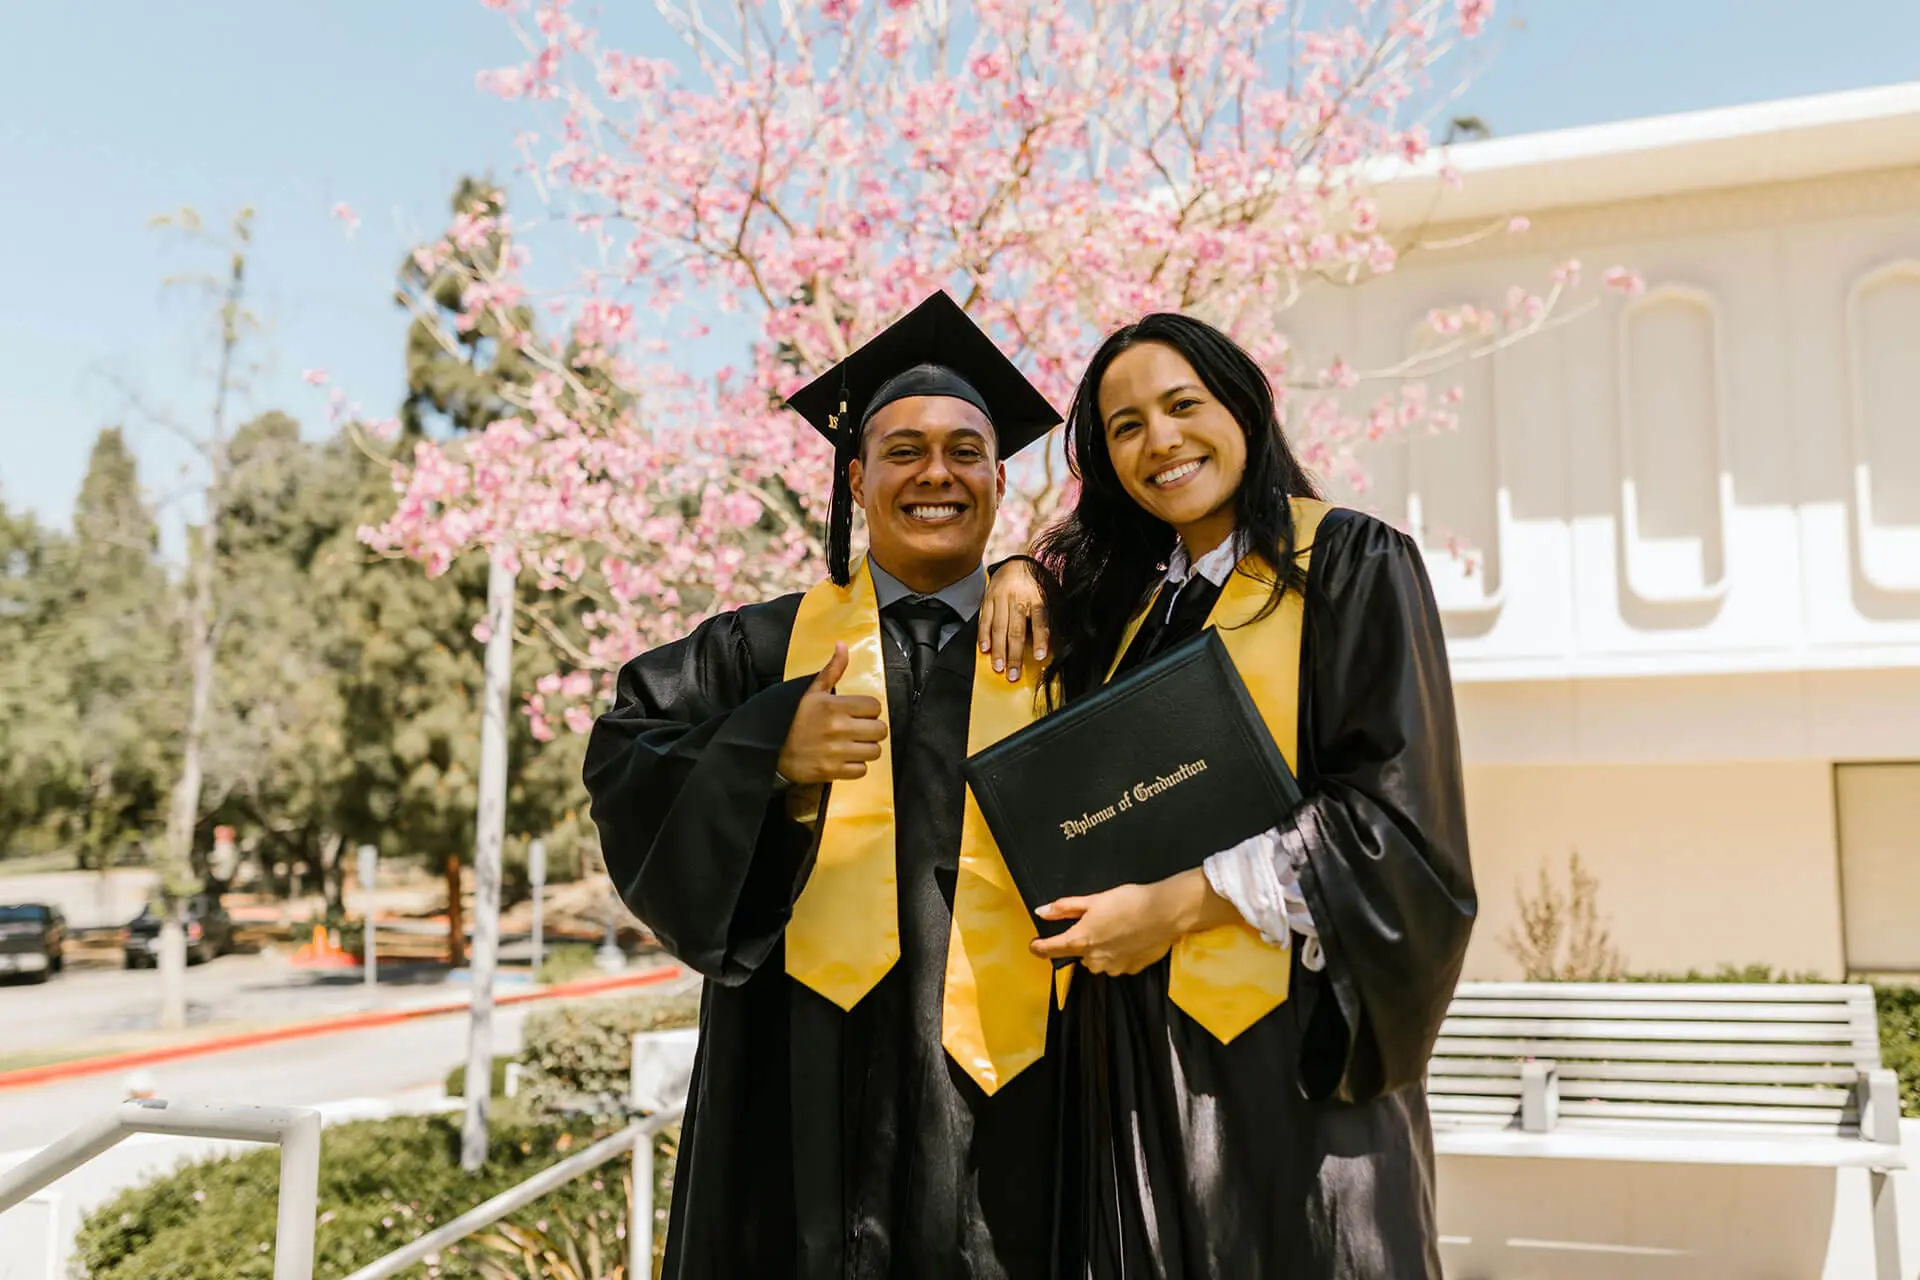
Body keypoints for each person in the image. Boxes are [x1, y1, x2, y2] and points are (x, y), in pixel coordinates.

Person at [584, 291, 1069, 1280]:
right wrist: (767, 749)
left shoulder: (1066, 643)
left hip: (1020, 1102)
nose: (936, 472)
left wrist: (1045, 569)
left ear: (1000, 477)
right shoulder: (762, 647)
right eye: (903, 448)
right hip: (794, 1096)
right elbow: (625, 754)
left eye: (964, 449)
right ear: (856, 475)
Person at [984, 313, 1476, 1278]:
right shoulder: (1126, 604)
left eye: (1182, 406)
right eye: (1125, 427)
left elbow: (1393, 821)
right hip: (1131, 1059)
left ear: (1243, 406)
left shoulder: (1348, 563)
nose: (1159, 441)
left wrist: (1174, 907)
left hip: (1294, 1064)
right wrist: (1012, 566)